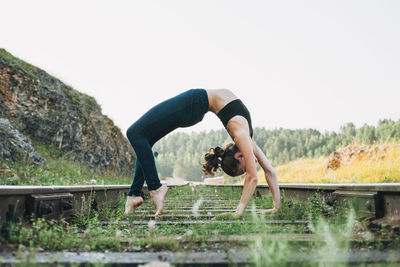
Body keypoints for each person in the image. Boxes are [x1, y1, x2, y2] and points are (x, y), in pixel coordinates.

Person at [125, 88, 281, 218]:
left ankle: (152, 189)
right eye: (244, 169)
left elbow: (262, 174)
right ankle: (135, 194)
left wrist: (271, 208)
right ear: (239, 156)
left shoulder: (244, 137)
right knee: (141, 137)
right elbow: (260, 175)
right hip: (195, 103)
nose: (251, 168)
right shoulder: (244, 137)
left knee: (136, 133)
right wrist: (244, 212)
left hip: (195, 104)